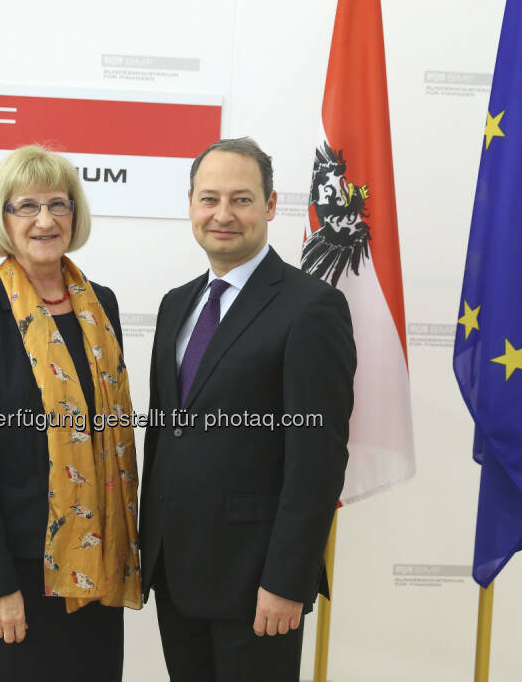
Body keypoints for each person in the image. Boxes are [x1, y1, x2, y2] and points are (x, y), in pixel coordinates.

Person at [139, 137, 356, 681]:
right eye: (209, 198)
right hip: (175, 573)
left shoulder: (311, 308)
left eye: (241, 199)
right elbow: (166, 438)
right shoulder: (174, 305)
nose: (223, 214)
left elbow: (318, 461)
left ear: (271, 205)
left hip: (257, 584)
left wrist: (288, 579)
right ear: (191, 204)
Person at [0, 145, 142, 682]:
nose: (45, 220)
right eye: (26, 206)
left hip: (98, 563)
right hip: (20, 575)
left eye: (59, 204)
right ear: (2, 219)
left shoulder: (104, 305)